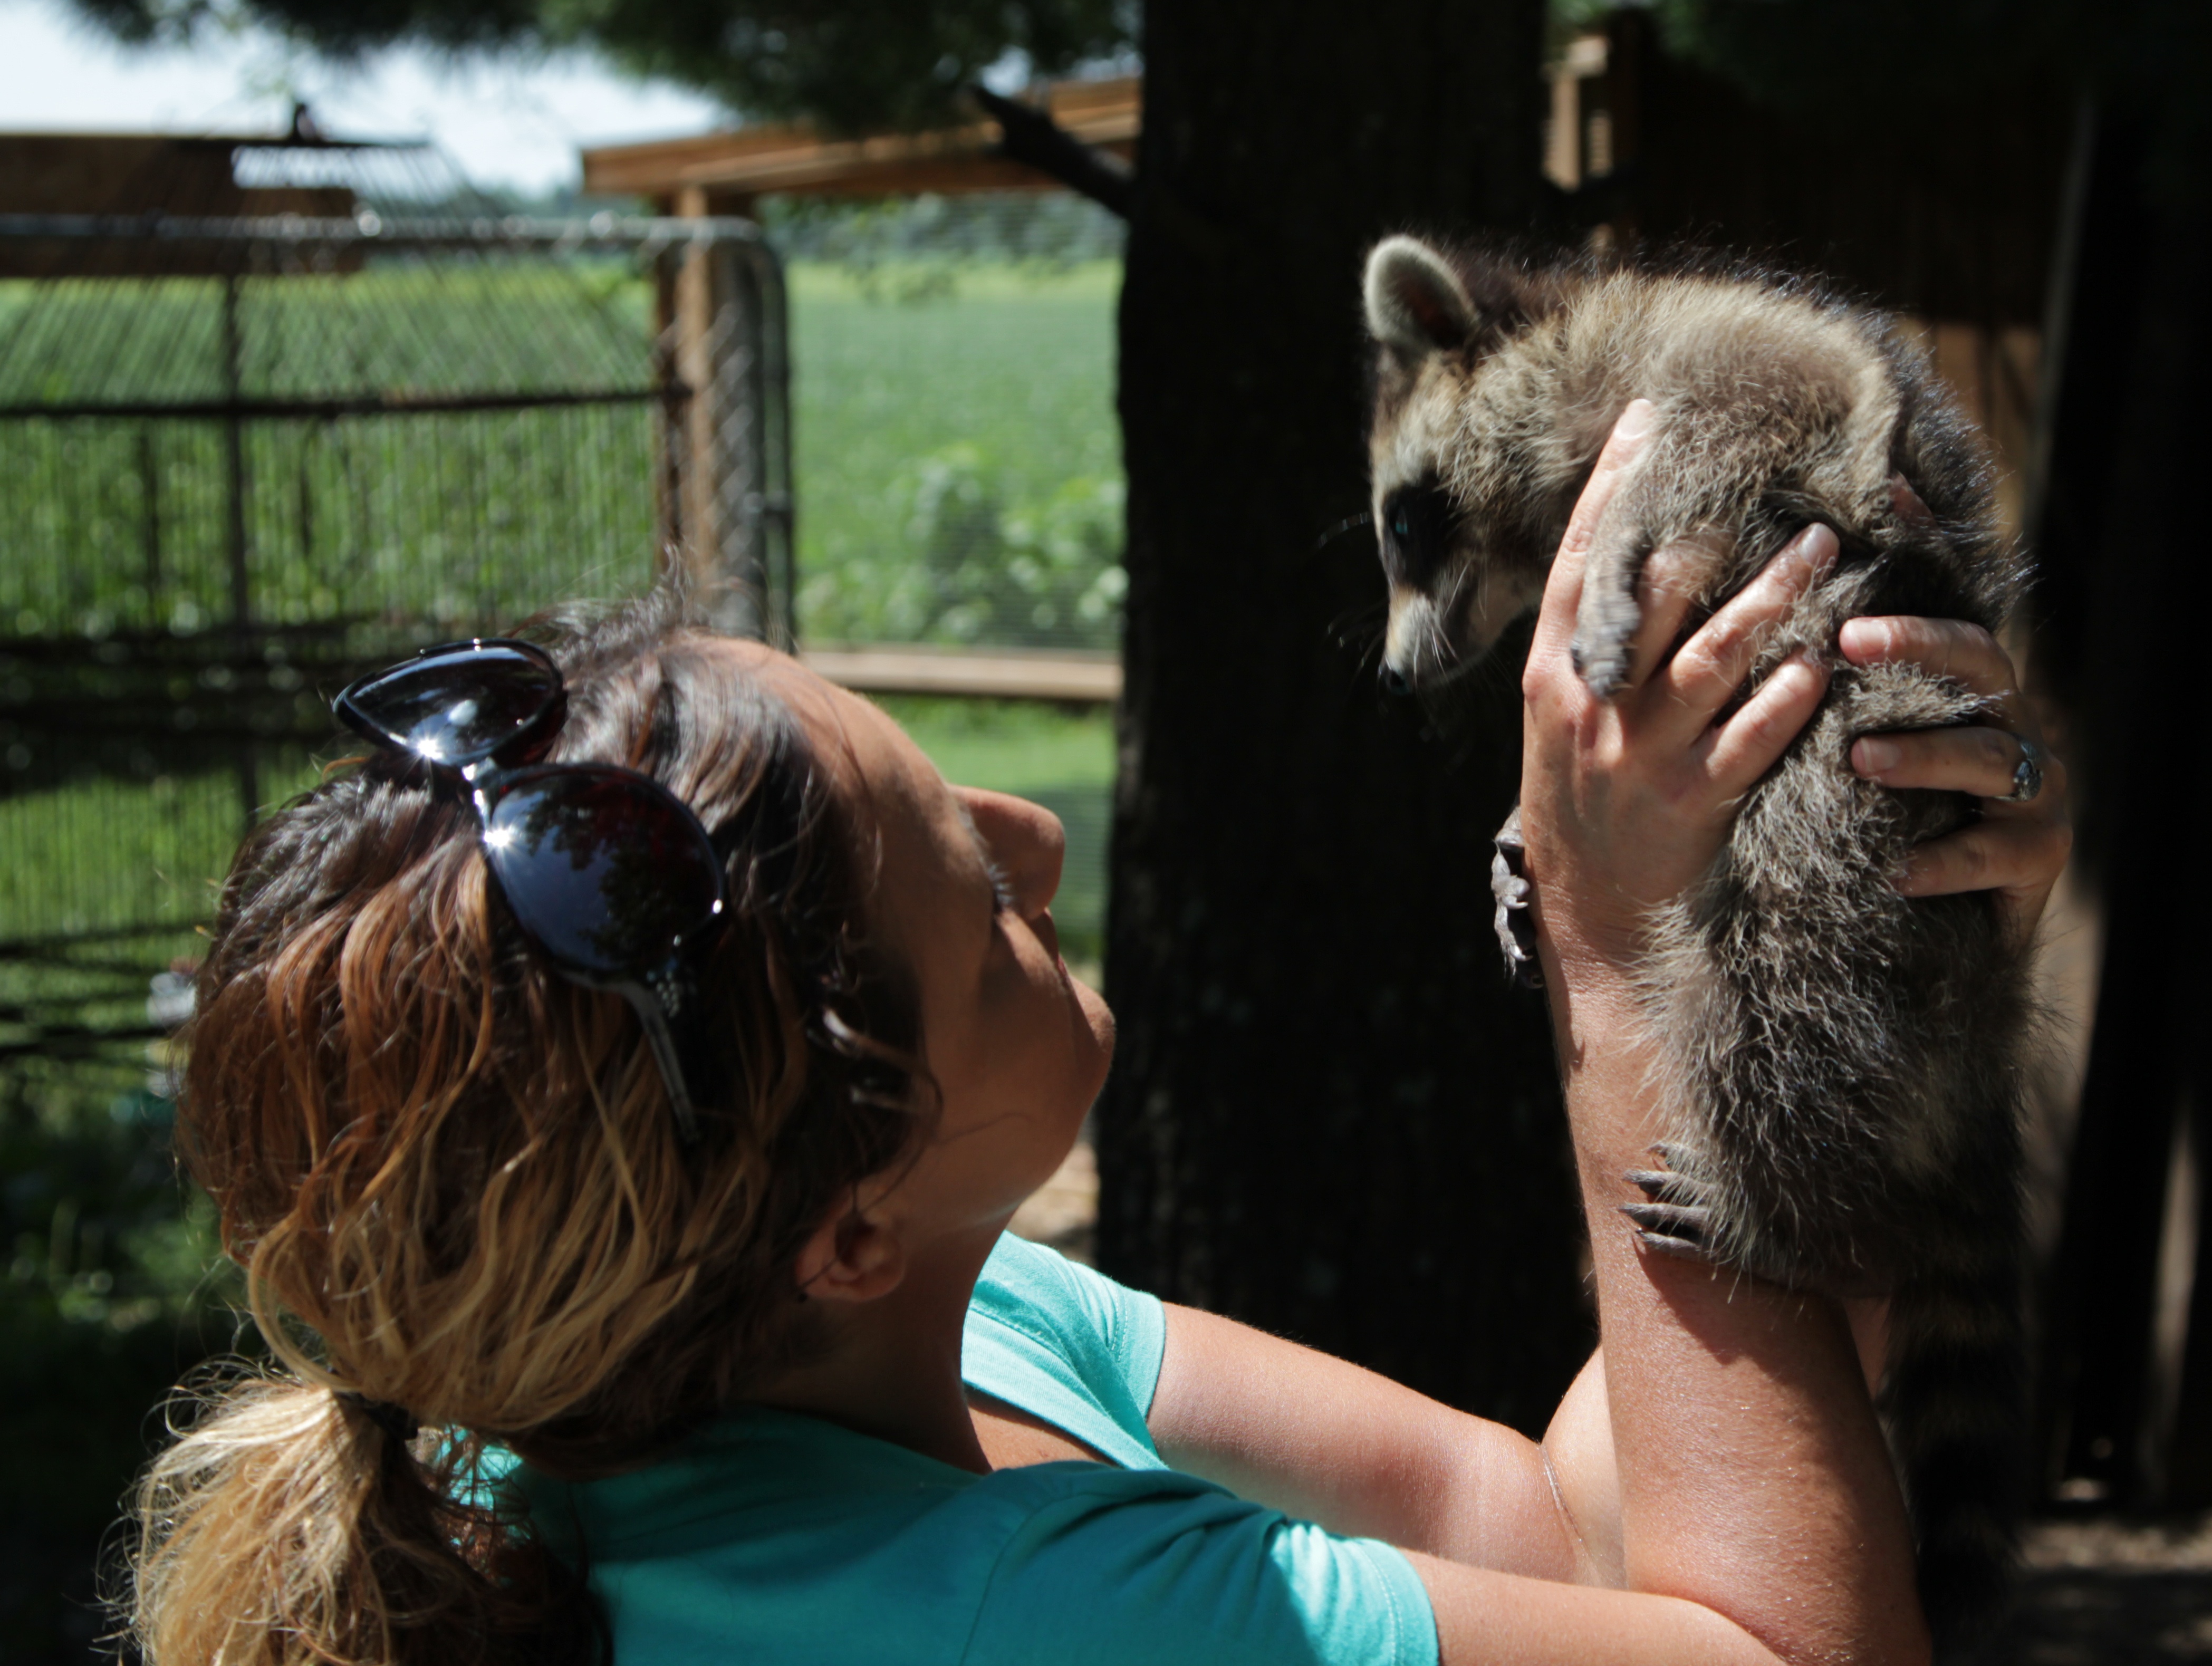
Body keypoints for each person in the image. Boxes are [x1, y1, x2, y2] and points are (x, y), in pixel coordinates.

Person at [124, 402, 2069, 1666]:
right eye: (969, 909)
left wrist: (1847, 968)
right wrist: (1629, 958)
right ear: (849, 1226)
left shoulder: (874, 1347)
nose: (1039, 842)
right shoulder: (1016, 1614)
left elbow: (1565, 1532)